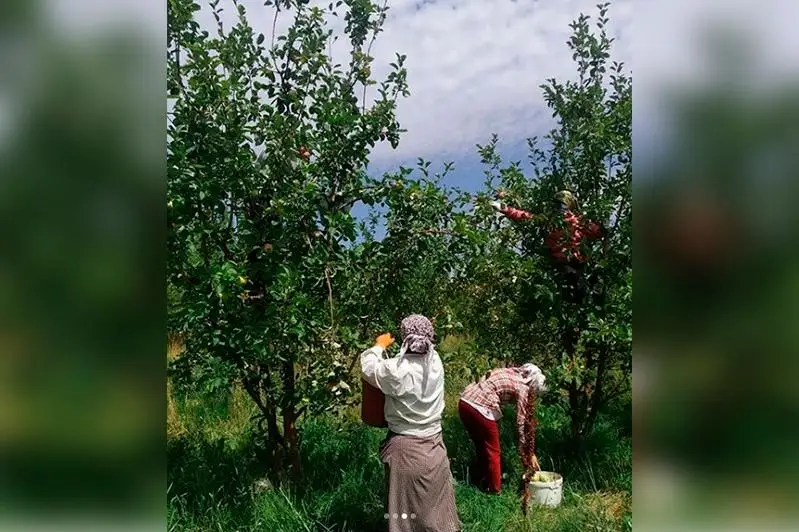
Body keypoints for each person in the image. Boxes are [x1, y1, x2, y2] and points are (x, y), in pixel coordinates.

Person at [361, 314, 461, 532]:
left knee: (403, 519)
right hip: (435, 449)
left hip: (404, 451)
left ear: (405, 338)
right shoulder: (436, 363)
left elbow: (368, 367)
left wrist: (379, 346)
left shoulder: (395, 370)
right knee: (438, 517)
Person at [458, 364, 547, 494]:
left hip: (465, 403)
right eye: (535, 392)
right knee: (494, 451)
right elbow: (521, 422)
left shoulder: (509, 372)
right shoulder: (524, 388)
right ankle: (495, 491)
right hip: (481, 406)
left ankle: (479, 480)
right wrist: (528, 453)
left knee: (482, 447)